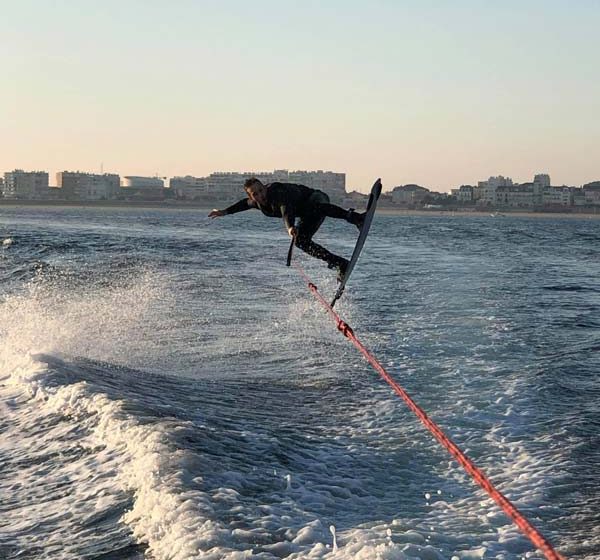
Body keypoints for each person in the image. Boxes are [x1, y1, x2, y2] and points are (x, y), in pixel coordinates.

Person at [208, 177, 365, 281]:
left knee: (316, 207)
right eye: (255, 194)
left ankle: (356, 218)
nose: (260, 195)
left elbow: (286, 210)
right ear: (252, 197)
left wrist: (289, 227)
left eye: (261, 190)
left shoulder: (277, 192)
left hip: (316, 198)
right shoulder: (255, 202)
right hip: (306, 213)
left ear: (265, 187)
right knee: (301, 242)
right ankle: (340, 264)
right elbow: (242, 204)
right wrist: (224, 212)